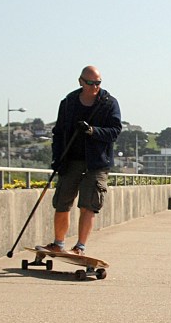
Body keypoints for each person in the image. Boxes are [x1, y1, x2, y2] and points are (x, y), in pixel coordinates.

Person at [43, 65, 122, 255]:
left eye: (98, 83)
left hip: (96, 163)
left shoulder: (109, 103)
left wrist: (93, 131)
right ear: (81, 82)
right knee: (62, 202)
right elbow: (59, 132)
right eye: (91, 83)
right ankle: (58, 243)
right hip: (71, 161)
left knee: (89, 205)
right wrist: (57, 159)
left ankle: (80, 246)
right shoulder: (69, 102)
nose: (95, 87)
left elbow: (115, 131)